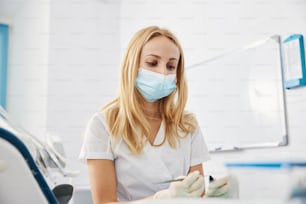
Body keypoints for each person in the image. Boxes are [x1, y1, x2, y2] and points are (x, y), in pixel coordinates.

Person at [79, 25, 231, 204]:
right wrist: (160, 199)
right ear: (132, 65)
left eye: (171, 66)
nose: (163, 73)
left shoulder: (187, 125)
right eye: (152, 63)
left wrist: (211, 198)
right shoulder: (103, 125)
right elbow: (104, 202)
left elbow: (195, 194)